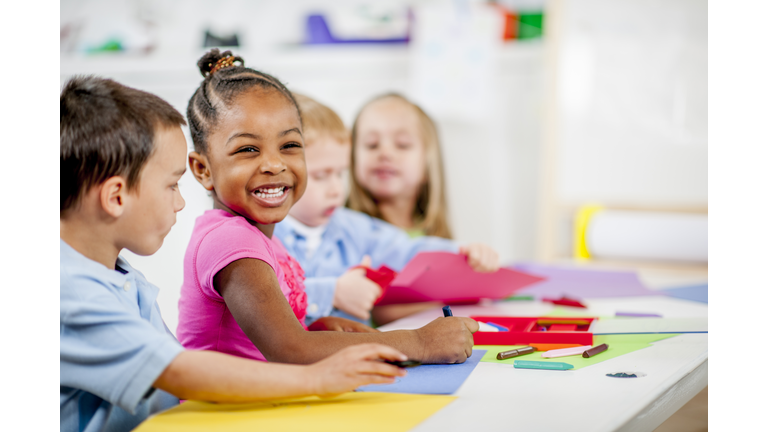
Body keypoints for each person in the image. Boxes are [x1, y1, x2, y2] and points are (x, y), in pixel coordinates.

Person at [60, 76, 409, 432]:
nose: (180, 202)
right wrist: (317, 378)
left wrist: (314, 334)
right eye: (171, 185)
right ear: (116, 196)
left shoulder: (116, 276)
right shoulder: (72, 293)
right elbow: (177, 370)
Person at [179, 49, 478, 366]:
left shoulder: (262, 237)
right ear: (203, 170)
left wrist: (318, 329)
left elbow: (272, 341)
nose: (274, 164)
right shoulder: (231, 242)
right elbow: (290, 350)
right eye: (248, 149)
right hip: (222, 414)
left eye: (290, 145)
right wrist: (419, 342)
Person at [274, 93, 499, 326]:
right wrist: (332, 293)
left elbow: (406, 250)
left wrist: (462, 252)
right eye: (321, 176)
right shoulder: (265, 235)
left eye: (341, 174)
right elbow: (262, 297)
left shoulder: (353, 226)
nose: (336, 189)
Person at [348, 93, 452, 238]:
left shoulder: (437, 242)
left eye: (402, 144)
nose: (385, 153)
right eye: (372, 144)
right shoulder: (341, 233)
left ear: (428, 164)